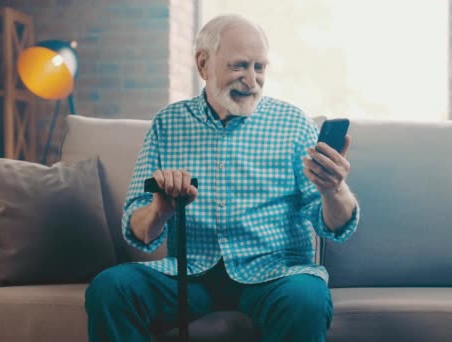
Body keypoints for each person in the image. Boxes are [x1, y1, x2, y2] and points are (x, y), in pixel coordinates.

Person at [85, 14, 360, 342]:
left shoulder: (293, 124)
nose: (252, 79)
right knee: (110, 288)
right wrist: (160, 209)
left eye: (260, 67)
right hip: (190, 275)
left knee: (306, 298)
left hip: (275, 274)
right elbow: (138, 231)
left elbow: (332, 226)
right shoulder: (167, 125)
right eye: (240, 65)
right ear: (203, 64)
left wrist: (334, 190)